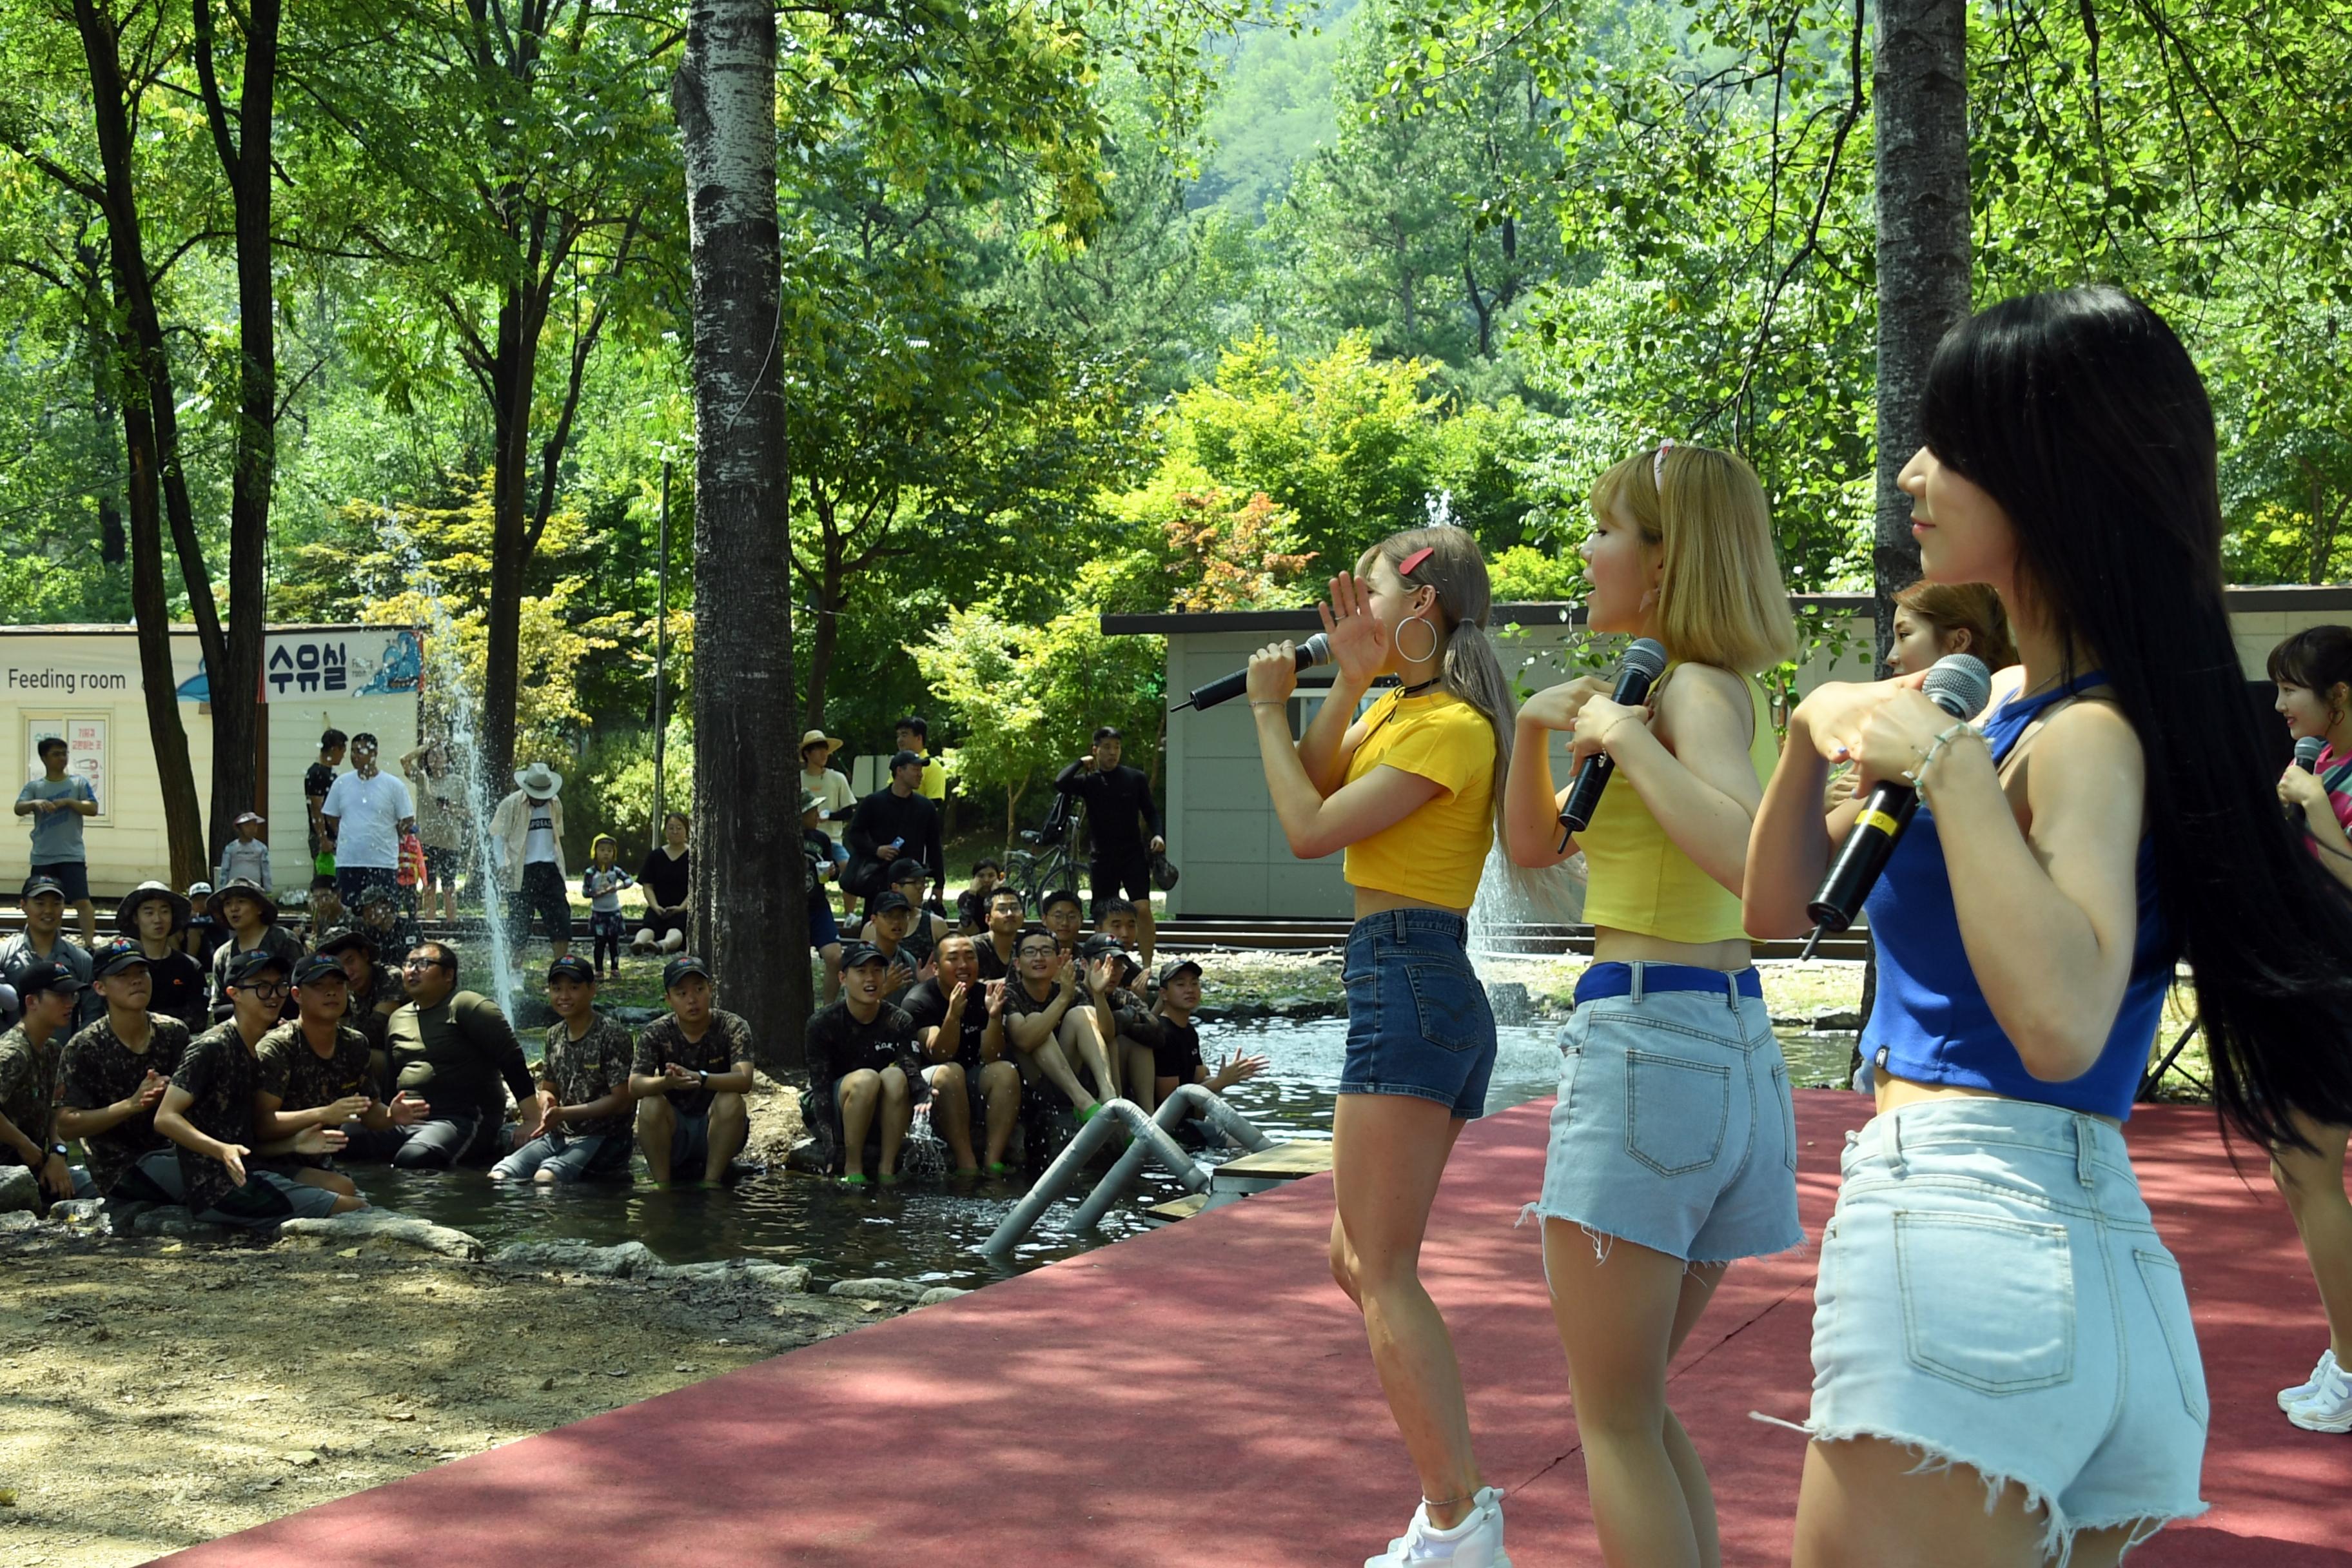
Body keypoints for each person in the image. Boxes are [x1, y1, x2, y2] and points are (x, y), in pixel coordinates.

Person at [1741, 286, 2352, 1562]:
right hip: (2075, 1266)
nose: (1914, 473)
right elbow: (1769, 913)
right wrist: (1810, 736)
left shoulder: (2081, 733)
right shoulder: (2033, 704)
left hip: (1973, 1244)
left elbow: (2065, 1019)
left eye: (1951, 446)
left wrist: (1953, 773)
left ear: (2050, 475)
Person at [1502, 441, 1800, 1568]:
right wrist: (1533, 732)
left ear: (1667, 560)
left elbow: (1746, 863)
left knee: (1612, 1417)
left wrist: (1627, 734)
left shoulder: (1685, 692)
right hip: (1713, 1044)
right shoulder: (1675, 686)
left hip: (1650, 1042)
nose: (1584, 552)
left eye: (1604, 529)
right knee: (1632, 1405)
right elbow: (1535, 851)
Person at [1242, 524, 1518, 1562]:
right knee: (1356, 1258)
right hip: (1397, 974)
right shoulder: (1399, 706)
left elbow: (1311, 833)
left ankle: (1460, 1522)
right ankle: (1453, 1513)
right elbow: (1312, 784)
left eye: (1365, 597)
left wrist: (1269, 706)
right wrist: (1341, 688)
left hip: (1412, 969)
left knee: (1382, 1265)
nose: (1348, 616)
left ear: (1422, 608)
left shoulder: (1450, 725)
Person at [2268, 624, 2352, 1433]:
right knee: (2292, 1167)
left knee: (2308, 1166)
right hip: (2317, 987)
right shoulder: (2317, 765)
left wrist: (2317, 808)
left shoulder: (2322, 779)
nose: (2282, 703)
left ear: (2340, 696)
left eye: (2293, 688)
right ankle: (2344, 1354)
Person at [158, 951, 364, 1226]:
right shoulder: (212, 1047)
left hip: (254, 1168)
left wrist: (294, 1144)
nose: (273, 996)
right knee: (356, 1208)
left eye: (278, 986)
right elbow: (165, 1117)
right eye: (261, 987)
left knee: (343, 1184)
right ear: (234, 994)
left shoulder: (257, 1047)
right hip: (220, 1187)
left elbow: (246, 1139)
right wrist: (221, 1150)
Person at [349, 941, 540, 1170]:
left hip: (460, 1119)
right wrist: (390, 1114)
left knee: (413, 1159)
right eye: (409, 964)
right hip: (406, 1121)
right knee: (341, 1139)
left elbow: (512, 1060)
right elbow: (392, 1076)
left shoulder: (466, 1005)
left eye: (424, 964)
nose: (413, 970)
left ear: (448, 975)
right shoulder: (398, 1018)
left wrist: (531, 1120)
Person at [254, 952, 424, 1191]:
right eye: (318, 986)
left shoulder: (355, 1044)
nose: (331, 992)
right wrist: (325, 1114)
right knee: (345, 1191)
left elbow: (369, 1110)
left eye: (338, 984)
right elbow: (261, 1124)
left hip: (317, 1160)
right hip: (264, 1162)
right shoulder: (278, 1047)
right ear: (297, 995)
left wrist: (392, 1116)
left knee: (353, 1196)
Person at [57, 939, 193, 1202]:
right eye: (123, 976)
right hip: (119, 1169)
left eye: (142, 973)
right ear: (100, 987)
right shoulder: (85, 1047)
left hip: (174, 1150)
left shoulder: (173, 1032)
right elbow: (67, 1125)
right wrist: (132, 1104)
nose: (136, 981)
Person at [492, 956, 637, 1184]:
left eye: (574, 988)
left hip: (603, 1136)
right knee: (500, 1174)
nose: (564, 996)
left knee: (546, 1178)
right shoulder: (555, 1034)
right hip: (561, 1133)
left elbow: (622, 1100)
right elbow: (549, 1087)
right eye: (557, 988)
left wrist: (564, 1114)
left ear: (592, 990)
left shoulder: (611, 1035)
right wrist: (548, 1104)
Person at [629, 955, 754, 1189]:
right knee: (650, 1103)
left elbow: (744, 1080)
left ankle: (711, 1182)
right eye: (682, 993)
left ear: (711, 989)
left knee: (731, 1100)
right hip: (674, 1127)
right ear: (669, 999)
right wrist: (665, 1083)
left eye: (699, 989)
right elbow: (635, 1085)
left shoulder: (732, 1026)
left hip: (717, 1125)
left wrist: (701, 1078)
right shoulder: (656, 1032)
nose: (692, 1000)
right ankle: (662, 1185)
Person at [804, 943, 925, 1186]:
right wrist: (829, 1146)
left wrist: (924, 1096)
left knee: (895, 1076)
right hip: (832, 1110)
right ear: (842, 978)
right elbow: (820, 1087)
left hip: (877, 1111)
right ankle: (853, 1166)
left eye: (877, 971)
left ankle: (887, 1169)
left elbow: (911, 1070)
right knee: (867, 1078)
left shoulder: (900, 1020)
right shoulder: (822, 1023)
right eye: (861, 971)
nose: (870, 978)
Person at [902, 933, 1020, 1173]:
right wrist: (953, 1016)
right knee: (950, 1071)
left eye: (970, 957)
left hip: (970, 1082)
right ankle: (967, 1162)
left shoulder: (984, 995)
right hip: (929, 1088)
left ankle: (992, 1160)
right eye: (953, 959)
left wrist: (995, 1017)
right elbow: (940, 1053)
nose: (964, 965)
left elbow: (992, 1056)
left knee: (1005, 1072)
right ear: (935, 968)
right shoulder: (919, 1000)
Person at [1055, 726, 1166, 964]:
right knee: (1104, 914)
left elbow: (1151, 812)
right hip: (1102, 858)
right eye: (1106, 747)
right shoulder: (1089, 782)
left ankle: (1147, 966)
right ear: (1096, 750)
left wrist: (1158, 835)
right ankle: (1106, 962)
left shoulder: (1135, 778)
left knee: (1143, 908)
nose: (1113, 752)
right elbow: (1061, 782)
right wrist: (1079, 762)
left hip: (1133, 854)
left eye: (1117, 747)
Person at [0, 962, 97, 1204]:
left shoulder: (53, 1050)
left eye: (72, 995)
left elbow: (57, 1108)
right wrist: (26, 1147)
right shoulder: (12, 1053)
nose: (70, 1003)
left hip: (38, 1166)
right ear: (32, 1002)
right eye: (60, 996)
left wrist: (57, 1153)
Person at [1001, 923, 1120, 1119]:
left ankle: (1109, 1095)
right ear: (1017, 964)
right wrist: (1063, 998)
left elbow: (1107, 1035)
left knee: (1082, 1013)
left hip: (1069, 1070)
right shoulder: (1010, 993)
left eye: (1046, 951)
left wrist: (1098, 995)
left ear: (1058, 960)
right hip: (1033, 1081)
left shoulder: (1071, 989)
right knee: (1035, 1020)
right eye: (1030, 952)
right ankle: (1084, 1102)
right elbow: (1024, 1040)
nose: (1039, 957)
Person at [1122, 957, 1267, 1112]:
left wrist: (1232, 1075)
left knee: (1206, 1071)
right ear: (1163, 994)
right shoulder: (1163, 1034)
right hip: (1169, 1126)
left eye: (1194, 983)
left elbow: (1198, 1080)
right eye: (1181, 984)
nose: (1189, 990)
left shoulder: (1189, 1030)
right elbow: (1169, 1100)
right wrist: (1220, 1082)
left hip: (1189, 1120)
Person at [15, 734, 101, 945]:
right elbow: (19, 808)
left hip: (71, 855)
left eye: (64, 754)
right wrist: (35, 803)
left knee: (82, 900)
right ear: (44, 758)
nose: (62, 758)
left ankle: (89, 944)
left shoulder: (78, 783)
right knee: (44, 902)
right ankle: (46, 943)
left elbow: (93, 808)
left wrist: (69, 802)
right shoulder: (35, 787)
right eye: (56, 754)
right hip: (43, 856)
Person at [320, 732, 416, 914]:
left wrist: (395, 834)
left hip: (382, 862)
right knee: (349, 913)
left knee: (383, 915)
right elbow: (331, 815)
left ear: (374, 754)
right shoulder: (342, 783)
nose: (354, 756)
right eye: (352, 751)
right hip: (349, 861)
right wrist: (346, 833)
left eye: (360, 751)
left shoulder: (393, 785)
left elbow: (407, 819)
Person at [489, 761, 571, 960]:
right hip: (522, 870)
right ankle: (515, 971)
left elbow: (556, 835)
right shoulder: (512, 804)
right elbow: (498, 836)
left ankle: (560, 966)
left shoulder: (555, 802)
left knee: (561, 920)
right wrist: (503, 865)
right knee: (519, 923)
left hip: (551, 868)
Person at [843, 751, 944, 906]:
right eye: (915, 770)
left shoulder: (926, 807)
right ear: (899, 771)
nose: (920, 775)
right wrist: (876, 850)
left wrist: (939, 883)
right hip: (878, 880)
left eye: (921, 770)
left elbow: (934, 847)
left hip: (911, 882)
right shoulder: (874, 802)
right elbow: (854, 834)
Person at [2, 874, 97, 1032]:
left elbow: (92, 1013)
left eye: (56, 904)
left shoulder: (80, 960)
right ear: (23, 905)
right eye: (40, 904)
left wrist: (75, 1049)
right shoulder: (5, 954)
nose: (48, 911)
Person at [205, 879, 304, 1021]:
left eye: (241, 901)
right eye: (228, 904)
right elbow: (218, 1006)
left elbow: (303, 991)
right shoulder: (223, 954)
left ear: (259, 907)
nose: (234, 908)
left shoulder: (284, 940)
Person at [117, 881, 206, 1032]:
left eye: (164, 911)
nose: (158, 919)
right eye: (149, 912)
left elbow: (198, 1019)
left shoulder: (190, 967)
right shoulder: (122, 966)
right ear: (136, 918)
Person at [400, 737, 466, 925]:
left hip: (450, 841)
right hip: (427, 840)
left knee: (449, 887)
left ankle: (451, 925)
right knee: (428, 886)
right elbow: (404, 760)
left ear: (448, 758)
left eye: (441, 754)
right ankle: (431, 925)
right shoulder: (422, 779)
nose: (436, 757)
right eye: (432, 754)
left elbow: (468, 812)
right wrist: (426, 746)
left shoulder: (458, 782)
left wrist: (451, 808)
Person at [314, 927, 406, 1060]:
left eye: (350, 961)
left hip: (395, 1057)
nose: (348, 972)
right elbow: (338, 1023)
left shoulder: (390, 977)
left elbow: (376, 1029)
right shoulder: (342, 988)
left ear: (365, 955)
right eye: (339, 968)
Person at [800, 730, 856, 910]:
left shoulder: (837, 778)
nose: (824, 754)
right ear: (807, 753)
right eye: (818, 750)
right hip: (803, 840)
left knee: (849, 867)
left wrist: (830, 816)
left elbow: (849, 811)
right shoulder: (797, 779)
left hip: (832, 840)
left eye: (826, 750)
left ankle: (849, 914)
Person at [801, 790, 846, 1003]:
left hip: (818, 907)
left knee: (835, 957)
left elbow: (833, 871)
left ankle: (828, 1007)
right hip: (791, 912)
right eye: (812, 812)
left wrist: (832, 872)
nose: (818, 816)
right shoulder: (780, 838)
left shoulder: (821, 839)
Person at [633, 811, 692, 956]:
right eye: (671, 828)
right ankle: (639, 943)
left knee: (676, 929)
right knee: (649, 927)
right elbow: (647, 885)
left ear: (686, 830)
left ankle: (663, 945)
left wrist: (681, 908)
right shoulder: (656, 856)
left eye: (679, 828)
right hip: (658, 906)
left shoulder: (693, 855)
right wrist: (655, 906)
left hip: (682, 908)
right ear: (665, 831)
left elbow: (695, 889)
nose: (675, 832)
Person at [862, 892, 934, 1003]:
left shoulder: (908, 960)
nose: (896, 922)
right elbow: (854, 1010)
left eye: (902, 916)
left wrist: (923, 986)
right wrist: (886, 989)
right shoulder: (862, 959)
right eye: (889, 916)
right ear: (874, 920)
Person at [582, 835, 634, 977]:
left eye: (609, 851)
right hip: (598, 913)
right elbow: (585, 892)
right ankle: (599, 970)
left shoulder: (615, 871)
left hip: (614, 912)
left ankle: (615, 968)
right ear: (595, 852)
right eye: (602, 850)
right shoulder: (590, 873)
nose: (606, 853)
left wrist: (617, 888)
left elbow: (630, 881)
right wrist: (595, 893)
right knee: (599, 943)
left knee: (614, 942)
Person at [306, 728, 347, 873]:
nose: (343, 757)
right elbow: (317, 807)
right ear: (335, 749)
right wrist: (323, 838)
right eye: (342, 752)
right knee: (325, 878)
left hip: (333, 834)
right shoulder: (317, 773)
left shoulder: (330, 773)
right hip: (324, 836)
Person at [974, 887, 1025, 980]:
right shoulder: (974, 948)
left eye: (1015, 908)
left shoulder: (1026, 946)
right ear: (988, 919)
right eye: (1002, 909)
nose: (1010, 914)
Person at [894, 715, 948, 801]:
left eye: (904, 735)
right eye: (898, 736)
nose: (899, 740)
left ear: (919, 738)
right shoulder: (898, 764)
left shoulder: (932, 766)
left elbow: (934, 804)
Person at [217, 811, 272, 892]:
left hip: (254, 890)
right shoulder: (231, 848)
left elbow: (266, 873)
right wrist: (222, 890)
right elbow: (224, 872)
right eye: (247, 826)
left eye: (255, 825)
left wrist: (268, 892)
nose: (252, 829)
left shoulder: (261, 848)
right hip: (234, 889)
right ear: (238, 828)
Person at [955, 859, 1004, 934]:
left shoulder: (1005, 896)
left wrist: (994, 894)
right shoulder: (965, 896)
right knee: (962, 928)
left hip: (997, 935)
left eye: (991, 876)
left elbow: (1000, 920)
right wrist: (972, 894)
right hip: (974, 936)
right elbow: (965, 923)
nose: (986, 880)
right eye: (981, 876)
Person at [181, 881, 220, 968]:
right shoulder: (190, 918)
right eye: (196, 899)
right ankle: (176, 962)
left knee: (194, 930)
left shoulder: (218, 915)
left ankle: (188, 965)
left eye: (204, 898)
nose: (200, 902)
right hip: (199, 954)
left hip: (213, 954)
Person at [1039, 888, 1084, 956]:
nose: (1065, 923)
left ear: (1081, 920)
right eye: (1058, 916)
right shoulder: (1035, 957)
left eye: (1071, 917)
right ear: (1044, 919)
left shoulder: (1088, 957)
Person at [304, 874, 345, 941]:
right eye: (316, 899)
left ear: (338, 896)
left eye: (326, 898)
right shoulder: (323, 919)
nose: (321, 904)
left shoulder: (353, 921)